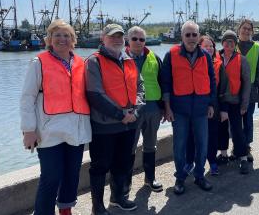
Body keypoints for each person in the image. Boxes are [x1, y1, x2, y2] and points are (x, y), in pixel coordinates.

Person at [20, 19, 92, 215]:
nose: (62, 39)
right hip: (48, 129)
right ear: (49, 39)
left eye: (67, 35)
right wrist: (28, 130)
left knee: (72, 173)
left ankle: (65, 208)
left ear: (73, 40)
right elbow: (27, 98)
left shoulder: (80, 62)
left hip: (76, 127)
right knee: (51, 176)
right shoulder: (39, 62)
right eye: (57, 35)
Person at [86, 24, 143, 215]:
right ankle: (97, 206)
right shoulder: (94, 61)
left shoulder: (129, 60)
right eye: (112, 36)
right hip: (105, 126)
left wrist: (135, 110)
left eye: (120, 36)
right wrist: (121, 115)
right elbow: (95, 95)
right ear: (103, 38)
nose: (117, 40)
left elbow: (140, 88)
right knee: (100, 166)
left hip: (129, 124)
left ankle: (118, 198)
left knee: (123, 163)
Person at [161, 20, 216, 195]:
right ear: (182, 36)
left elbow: (212, 81)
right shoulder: (171, 54)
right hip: (179, 109)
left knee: (202, 144)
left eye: (194, 34)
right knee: (179, 145)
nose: (191, 38)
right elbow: (166, 83)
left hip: (201, 108)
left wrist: (211, 104)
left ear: (198, 36)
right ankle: (180, 178)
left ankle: (199, 175)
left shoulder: (206, 56)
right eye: (188, 34)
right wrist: (167, 108)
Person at [125, 26, 163, 192]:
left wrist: (164, 107)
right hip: (131, 111)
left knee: (150, 145)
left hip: (153, 109)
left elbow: (164, 82)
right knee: (129, 147)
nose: (138, 42)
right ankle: (126, 183)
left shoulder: (154, 57)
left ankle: (150, 178)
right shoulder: (121, 58)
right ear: (128, 40)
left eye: (142, 39)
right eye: (134, 39)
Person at [185, 35, 223, 175]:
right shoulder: (193, 63)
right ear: (199, 47)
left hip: (213, 107)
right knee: (192, 136)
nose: (209, 48)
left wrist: (220, 108)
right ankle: (190, 162)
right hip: (194, 107)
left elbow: (221, 88)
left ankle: (212, 162)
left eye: (211, 46)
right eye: (205, 46)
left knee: (212, 136)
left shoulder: (219, 65)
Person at [216, 30, 251, 174]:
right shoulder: (216, 57)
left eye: (232, 41)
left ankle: (242, 157)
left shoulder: (241, 59)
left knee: (237, 131)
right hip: (220, 102)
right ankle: (223, 155)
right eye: (226, 41)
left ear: (235, 44)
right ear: (222, 43)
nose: (228, 43)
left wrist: (244, 104)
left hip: (235, 102)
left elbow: (247, 83)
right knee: (221, 130)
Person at [234, 19, 259, 163]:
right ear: (239, 29)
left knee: (248, 119)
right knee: (235, 120)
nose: (246, 31)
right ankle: (236, 147)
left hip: (250, 90)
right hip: (234, 89)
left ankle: (247, 147)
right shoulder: (232, 45)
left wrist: (256, 84)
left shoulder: (257, 47)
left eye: (249, 29)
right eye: (243, 28)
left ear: (252, 31)